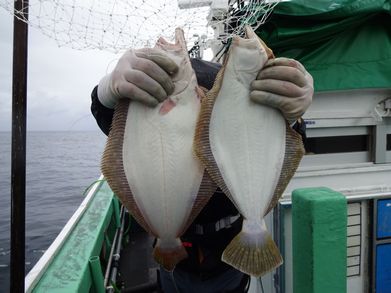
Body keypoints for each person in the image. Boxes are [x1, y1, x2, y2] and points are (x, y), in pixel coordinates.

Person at [91, 47, 313, 293]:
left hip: (227, 247)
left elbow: (276, 140)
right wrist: (106, 91)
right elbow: (113, 123)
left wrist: (293, 117)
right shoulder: (154, 102)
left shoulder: (234, 97)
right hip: (178, 252)